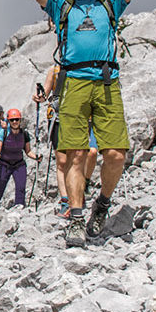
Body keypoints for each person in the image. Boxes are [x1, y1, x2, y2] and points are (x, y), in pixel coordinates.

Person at [4, 0, 156, 246]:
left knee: (116, 153)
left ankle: (101, 204)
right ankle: (76, 217)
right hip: (73, 83)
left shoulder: (111, 4)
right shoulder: (62, 7)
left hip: (105, 82)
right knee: (74, 155)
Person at [34, 64, 98, 217]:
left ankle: (80, 189)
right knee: (62, 161)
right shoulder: (54, 70)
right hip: (58, 117)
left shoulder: (85, 66)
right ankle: (65, 200)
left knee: (86, 154)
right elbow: (46, 93)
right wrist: (40, 97)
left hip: (81, 116)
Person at [0, 108, 41, 215]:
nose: (14, 122)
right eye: (12, 120)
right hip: (4, 164)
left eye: (17, 120)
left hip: (19, 164)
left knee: (20, 188)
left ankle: (19, 212)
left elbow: (28, 151)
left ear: (20, 120)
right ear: (8, 121)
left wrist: (36, 157)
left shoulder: (24, 134)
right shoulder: (4, 132)